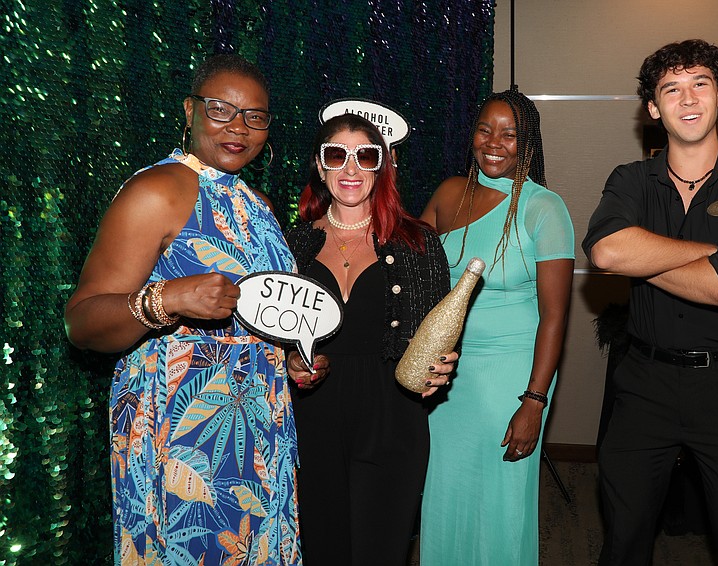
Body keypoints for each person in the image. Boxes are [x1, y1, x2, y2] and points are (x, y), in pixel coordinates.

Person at [64, 54, 312, 564]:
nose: (238, 127)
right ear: (189, 110)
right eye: (220, 109)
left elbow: (255, 321)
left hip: (259, 432)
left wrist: (290, 357)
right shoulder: (155, 191)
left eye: (255, 116)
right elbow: (82, 321)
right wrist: (169, 299)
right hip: (184, 438)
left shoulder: (259, 205)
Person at [582, 39, 718, 566]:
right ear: (654, 109)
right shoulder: (630, 180)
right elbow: (607, 252)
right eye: (671, 88)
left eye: (700, 83)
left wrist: (647, 255)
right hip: (644, 383)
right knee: (624, 540)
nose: (688, 97)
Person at [284, 111, 455, 566]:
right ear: (320, 167)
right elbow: (269, 339)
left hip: (392, 417)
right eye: (336, 155)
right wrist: (288, 363)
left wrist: (442, 367)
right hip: (312, 419)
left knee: (381, 549)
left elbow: (439, 337)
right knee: (322, 546)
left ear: (382, 166)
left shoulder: (420, 244)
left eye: (366, 156)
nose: (351, 168)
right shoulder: (292, 245)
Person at [419, 87, 575, 565]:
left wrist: (534, 401)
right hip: (446, 377)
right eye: (485, 129)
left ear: (527, 143)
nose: (494, 142)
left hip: (511, 379)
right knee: (443, 495)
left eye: (509, 134)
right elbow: (408, 268)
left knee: (500, 506)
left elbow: (555, 317)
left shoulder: (543, 208)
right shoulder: (448, 193)